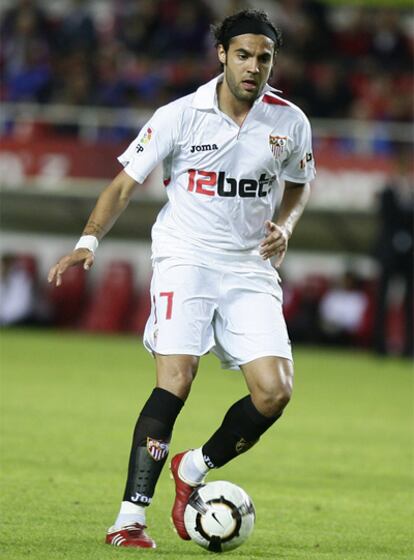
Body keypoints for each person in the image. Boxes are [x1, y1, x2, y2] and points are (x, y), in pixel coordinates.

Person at [48, 9, 315, 549]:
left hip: (249, 265)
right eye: (243, 55)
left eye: (264, 58)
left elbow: (298, 183)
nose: (253, 67)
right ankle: (129, 518)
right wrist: (88, 240)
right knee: (176, 377)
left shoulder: (290, 122)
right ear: (221, 54)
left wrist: (284, 226)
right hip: (185, 256)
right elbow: (124, 185)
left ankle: (193, 467)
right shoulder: (179, 115)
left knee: (274, 393)